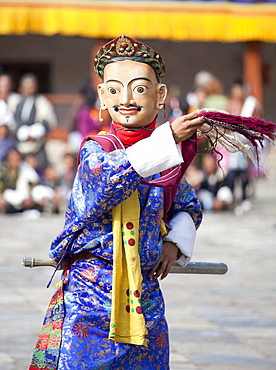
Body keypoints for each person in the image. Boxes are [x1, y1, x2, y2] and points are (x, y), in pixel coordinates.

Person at [29, 35, 204, 370]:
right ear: (102, 97)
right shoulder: (97, 150)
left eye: (139, 89)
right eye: (114, 90)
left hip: (146, 297)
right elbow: (106, 184)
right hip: (90, 296)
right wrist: (167, 140)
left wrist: (173, 243)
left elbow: (188, 206)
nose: (125, 99)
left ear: (160, 96)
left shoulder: (167, 159)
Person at [14, 73, 58, 171]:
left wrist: (35, 132)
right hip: (21, 145)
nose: (29, 89)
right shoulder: (19, 102)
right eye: (26, 86)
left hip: (37, 145)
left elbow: (48, 120)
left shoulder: (41, 101)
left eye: (31, 86)